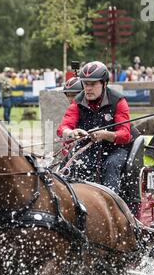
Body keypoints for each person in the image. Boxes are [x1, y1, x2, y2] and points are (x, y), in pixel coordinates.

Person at [57, 61, 135, 194]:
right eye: (85, 83)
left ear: (104, 84)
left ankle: (112, 206)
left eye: (93, 84)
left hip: (116, 149)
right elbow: (63, 128)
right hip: (89, 147)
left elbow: (125, 135)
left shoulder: (118, 101)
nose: (87, 88)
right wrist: (71, 132)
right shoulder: (78, 101)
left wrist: (106, 135)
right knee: (74, 163)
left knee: (111, 164)